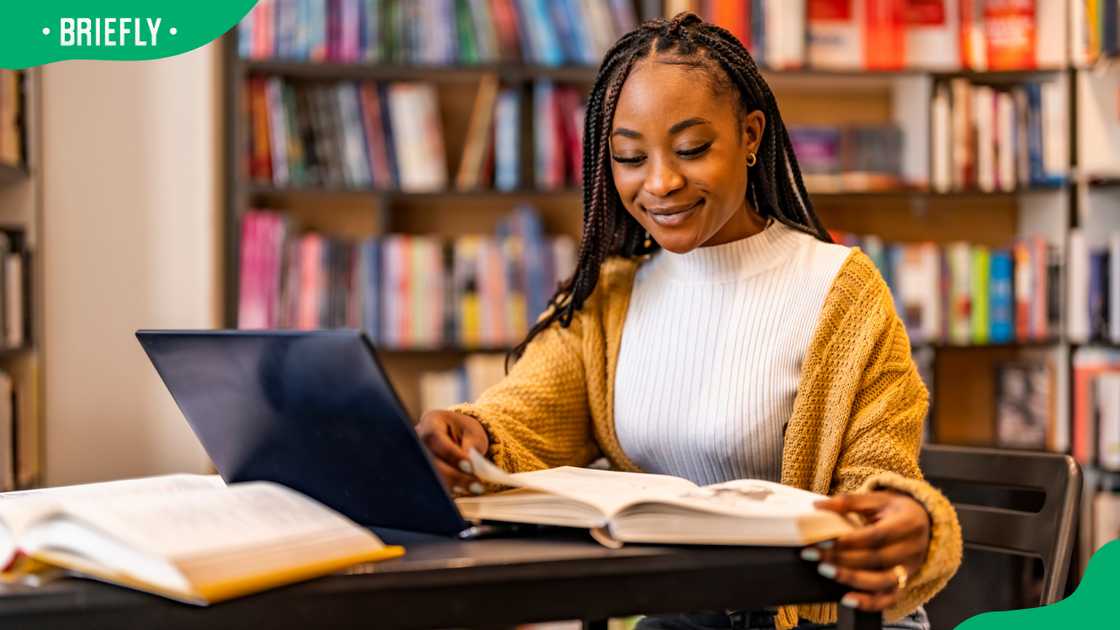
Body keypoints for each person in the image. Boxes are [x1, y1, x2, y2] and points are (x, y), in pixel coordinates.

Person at [416, 12, 961, 630]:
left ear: (751, 135)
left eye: (692, 149)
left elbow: (883, 474)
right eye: (629, 156)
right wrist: (472, 436)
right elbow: (522, 420)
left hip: (821, 618)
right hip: (686, 614)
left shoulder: (840, 290)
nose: (661, 183)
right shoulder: (612, 296)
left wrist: (905, 519)